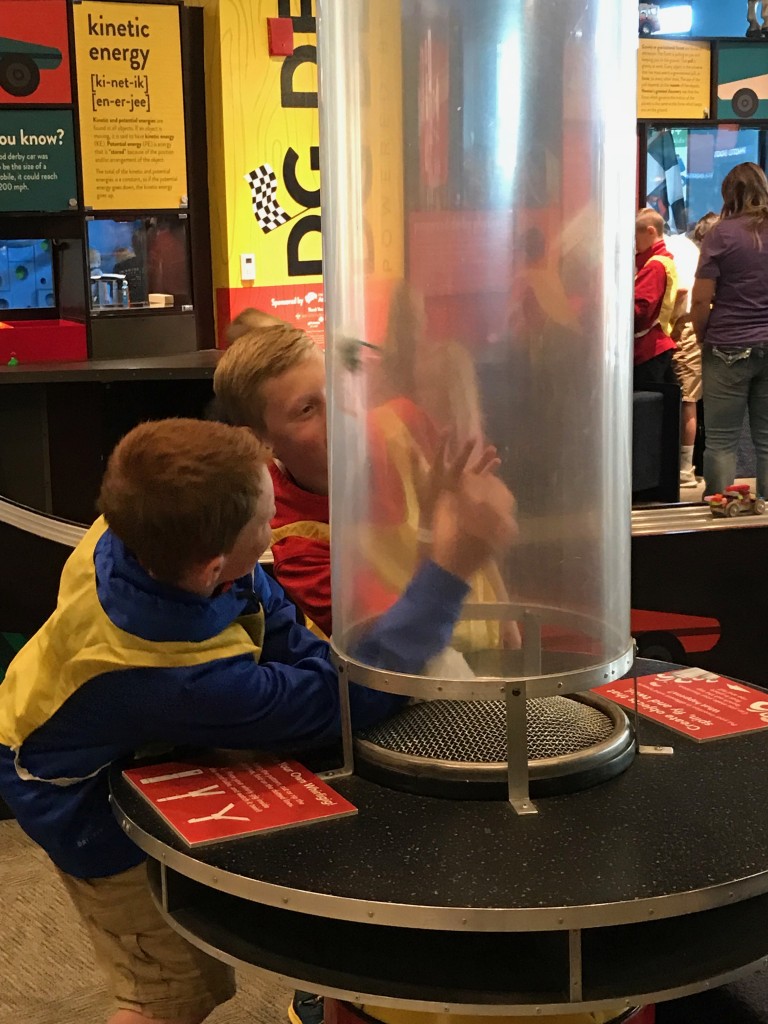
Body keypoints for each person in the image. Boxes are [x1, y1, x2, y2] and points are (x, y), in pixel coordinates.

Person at [0, 418, 516, 1024]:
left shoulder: (132, 534)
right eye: (267, 524)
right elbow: (342, 703)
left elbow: (270, 615)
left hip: (131, 734)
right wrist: (449, 570)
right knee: (171, 988)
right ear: (210, 567)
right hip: (73, 796)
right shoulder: (176, 681)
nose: (277, 528)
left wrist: (320, 664)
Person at [214, 321, 332, 636]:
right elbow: (386, 641)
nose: (338, 415)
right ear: (261, 441)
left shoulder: (394, 437)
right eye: (307, 409)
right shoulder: (293, 543)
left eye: (336, 390)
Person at [691, 163, 768, 500]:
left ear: (728, 193)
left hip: (727, 346)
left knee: (722, 440)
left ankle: (721, 516)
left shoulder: (720, 234)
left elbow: (700, 299)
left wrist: (702, 335)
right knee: (766, 439)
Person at [665, 213, 719, 486]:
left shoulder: (681, 250)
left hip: (685, 327)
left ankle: (685, 469)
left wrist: (675, 327)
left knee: (687, 398)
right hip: (696, 327)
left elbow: (685, 293)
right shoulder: (690, 252)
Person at [633, 208, 679, 389]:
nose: (635, 244)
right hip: (657, 345)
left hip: (647, 349)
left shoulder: (654, 265)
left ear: (650, 231)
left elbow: (640, 310)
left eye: (636, 237)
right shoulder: (663, 261)